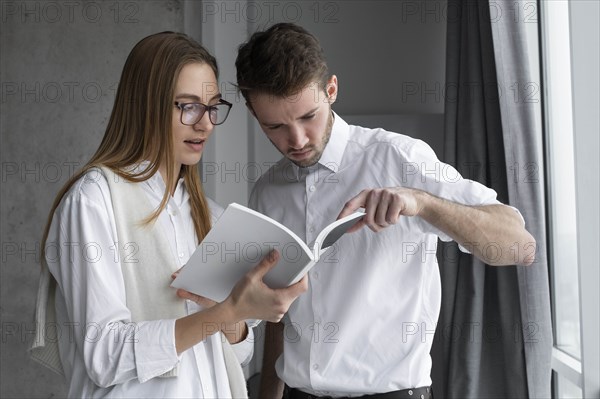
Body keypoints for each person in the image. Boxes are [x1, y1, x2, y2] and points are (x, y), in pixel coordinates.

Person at [235, 23, 536, 399]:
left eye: (308, 116)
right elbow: (279, 312)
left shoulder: (399, 158)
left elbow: (519, 247)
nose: (295, 140)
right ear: (252, 112)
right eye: (275, 126)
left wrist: (421, 202)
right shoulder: (267, 191)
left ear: (331, 90)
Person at [30, 31, 307, 398]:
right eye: (188, 106)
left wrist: (234, 317)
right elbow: (105, 354)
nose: (205, 123)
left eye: (212, 107)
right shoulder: (93, 200)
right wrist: (224, 313)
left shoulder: (210, 214)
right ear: (146, 104)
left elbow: (237, 354)